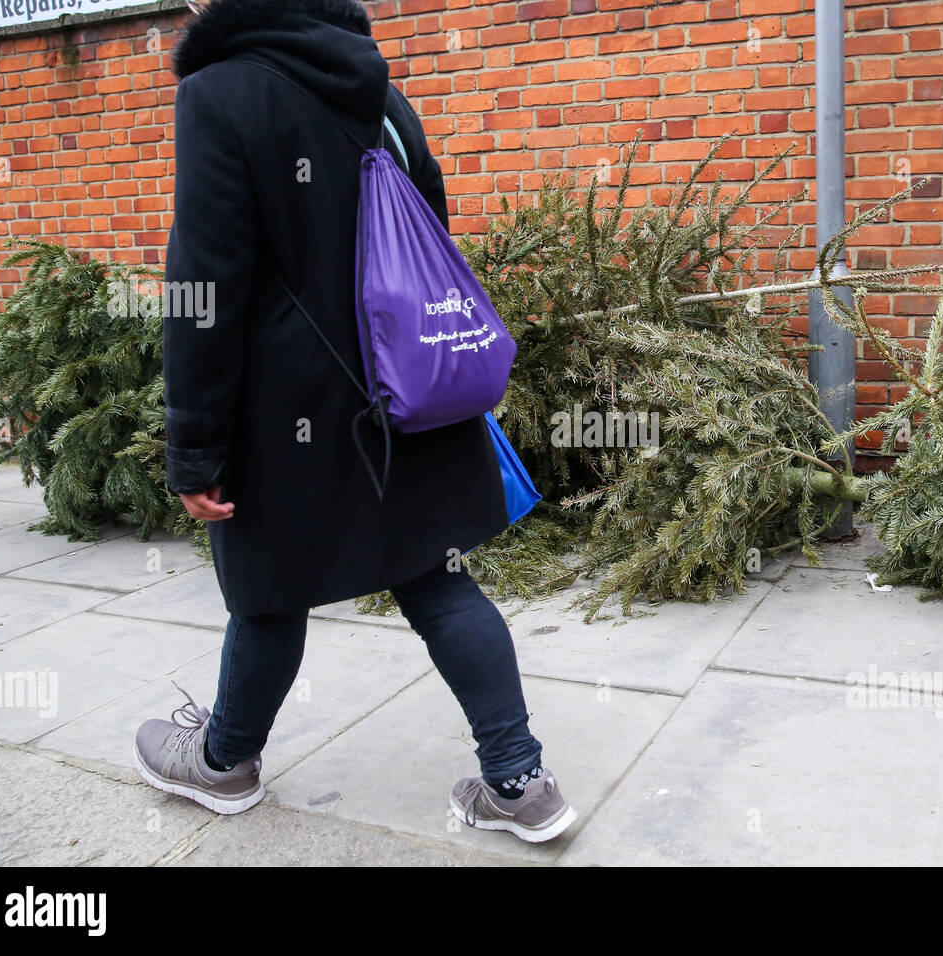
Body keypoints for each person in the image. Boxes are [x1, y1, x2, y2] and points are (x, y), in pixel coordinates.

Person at [133, 0, 576, 844]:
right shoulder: (375, 85)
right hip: (408, 388)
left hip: (287, 409)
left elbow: (204, 287)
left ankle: (223, 763)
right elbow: (430, 234)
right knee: (439, 579)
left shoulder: (220, 93)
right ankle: (522, 783)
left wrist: (195, 447)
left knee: (268, 591)